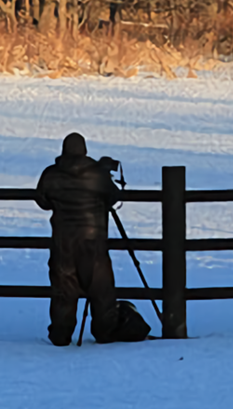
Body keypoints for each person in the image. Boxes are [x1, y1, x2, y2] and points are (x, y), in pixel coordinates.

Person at [35, 132, 149, 346]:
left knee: (64, 289)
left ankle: (61, 334)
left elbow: (42, 200)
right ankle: (105, 333)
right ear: (85, 150)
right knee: (101, 289)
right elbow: (114, 198)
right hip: (93, 241)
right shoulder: (97, 175)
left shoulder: (51, 174)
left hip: (63, 241)